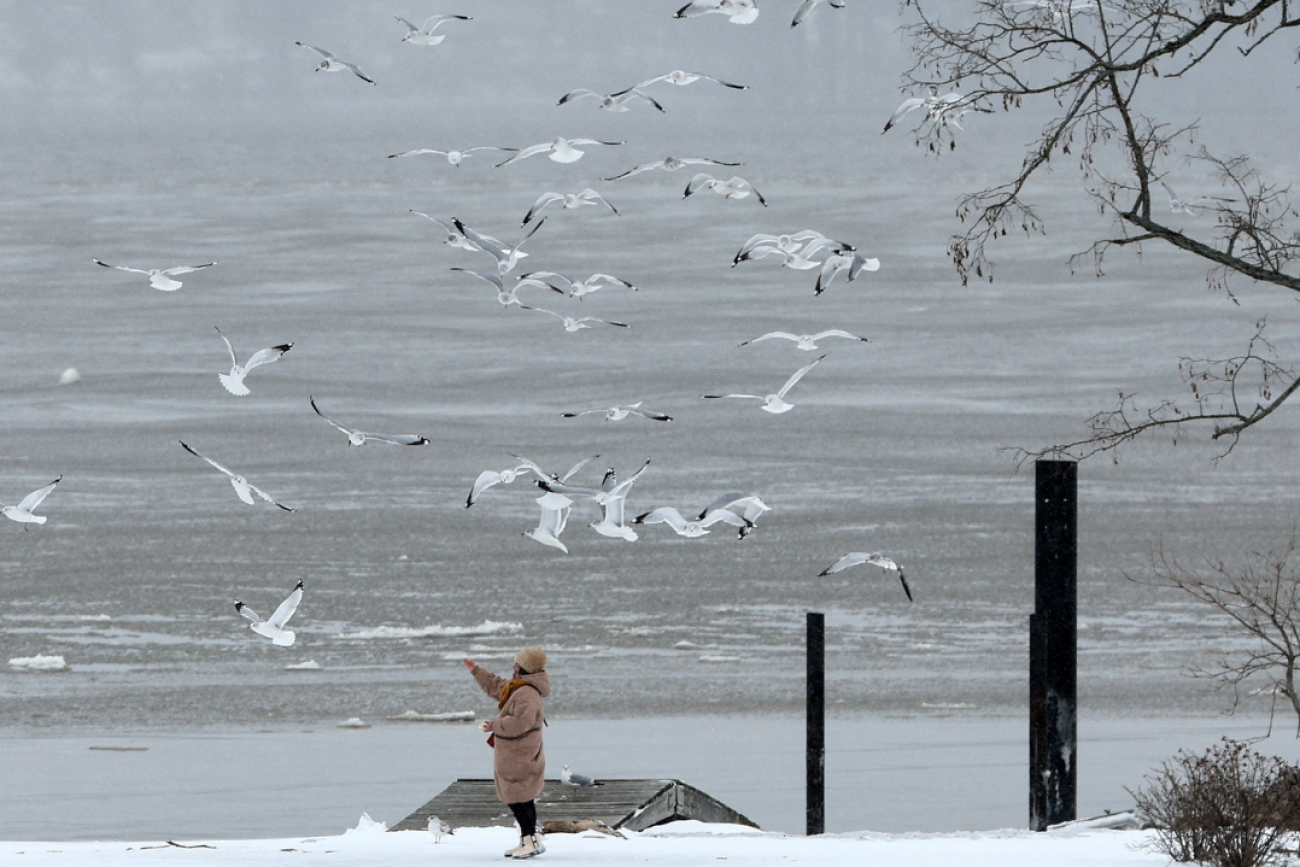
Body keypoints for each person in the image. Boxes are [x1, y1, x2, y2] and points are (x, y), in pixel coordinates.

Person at [465, 647, 550, 860]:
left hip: (520, 755)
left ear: (526, 668)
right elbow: (497, 687)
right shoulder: (519, 687)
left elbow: (520, 723)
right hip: (515, 753)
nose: (514, 666)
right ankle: (529, 839)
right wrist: (476, 671)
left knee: (519, 796)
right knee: (520, 796)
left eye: (518, 663)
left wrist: (494, 725)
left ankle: (529, 839)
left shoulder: (527, 694)